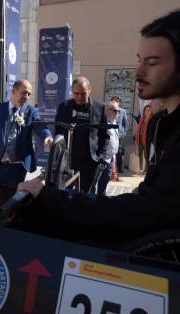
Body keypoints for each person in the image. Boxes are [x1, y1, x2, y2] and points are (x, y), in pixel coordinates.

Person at [16, 9, 180, 243]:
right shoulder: (162, 124)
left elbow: (141, 214)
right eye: (139, 60)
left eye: (152, 62)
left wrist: (51, 198)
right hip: (71, 163)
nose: (139, 73)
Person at [0, 79, 52, 212]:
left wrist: (47, 136)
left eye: (29, 94)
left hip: (18, 167)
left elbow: (40, 125)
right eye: (24, 93)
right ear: (13, 91)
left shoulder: (31, 111)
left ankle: (7, 228)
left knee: (12, 201)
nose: (27, 97)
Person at [54, 76, 108, 192]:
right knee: (63, 194)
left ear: (90, 89)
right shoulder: (64, 107)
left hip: (90, 161)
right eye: (76, 93)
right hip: (68, 161)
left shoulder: (100, 107)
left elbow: (104, 134)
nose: (79, 97)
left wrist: (100, 156)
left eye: (83, 93)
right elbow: (58, 131)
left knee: (86, 196)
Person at [96, 101, 120, 195]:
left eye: (118, 111)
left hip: (111, 158)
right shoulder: (103, 122)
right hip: (103, 158)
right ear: (108, 110)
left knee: (105, 180)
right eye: (114, 110)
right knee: (95, 181)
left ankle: (101, 200)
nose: (117, 113)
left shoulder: (114, 123)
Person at [110, 96, 128, 177]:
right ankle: (110, 168)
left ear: (119, 103)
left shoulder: (123, 111)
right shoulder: (108, 109)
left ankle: (119, 168)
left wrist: (123, 133)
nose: (116, 102)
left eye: (117, 101)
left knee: (119, 151)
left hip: (119, 134)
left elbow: (125, 123)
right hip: (110, 133)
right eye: (114, 100)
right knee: (110, 150)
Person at [135, 104, 153, 174]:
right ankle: (140, 169)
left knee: (146, 155)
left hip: (147, 140)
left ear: (151, 111)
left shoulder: (152, 119)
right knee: (140, 154)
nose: (147, 112)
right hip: (140, 139)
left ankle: (146, 170)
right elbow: (139, 128)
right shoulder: (142, 118)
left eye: (148, 110)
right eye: (146, 110)